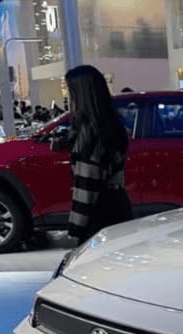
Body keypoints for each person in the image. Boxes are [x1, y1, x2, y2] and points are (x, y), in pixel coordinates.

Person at [64, 65, 132, 246]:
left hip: (99, 215)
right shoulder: (112, 125)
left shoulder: (89, 134)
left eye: (72, 92)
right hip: (118, 205)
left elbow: (86, 187)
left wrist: (75, 230)